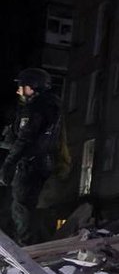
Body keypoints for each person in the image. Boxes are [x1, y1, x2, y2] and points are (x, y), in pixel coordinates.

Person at [0, 68, 61, 245]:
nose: (18, 91)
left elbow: (25, 140)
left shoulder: (35, 110)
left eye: (22, 87)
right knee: (22, 207)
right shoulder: (47, 107)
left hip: (30, 164)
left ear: (32, 88)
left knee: (21, 208)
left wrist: (8, 165)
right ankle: (29, 243)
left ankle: (26, 247)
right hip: (39, 163)